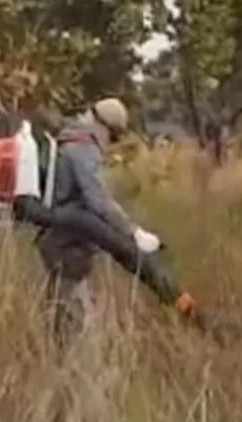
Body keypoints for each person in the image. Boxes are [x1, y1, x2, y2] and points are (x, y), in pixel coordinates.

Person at [35, 97, 171, 349]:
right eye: (114, 135)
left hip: (60, 242)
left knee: (65, 316)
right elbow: (98, 200)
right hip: (67, 246)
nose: (112, 142)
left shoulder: (69, 139)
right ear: (104, 126)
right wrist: (134, 232)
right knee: (77, 326)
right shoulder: (82, 148)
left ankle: (62, 370)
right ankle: (75, 381)